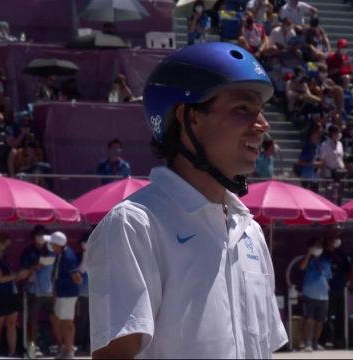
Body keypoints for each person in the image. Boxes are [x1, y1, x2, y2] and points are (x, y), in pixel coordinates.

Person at [86, 42, 287, 358]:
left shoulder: (250, 232)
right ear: (189, 116)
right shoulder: (136, 225)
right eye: (242, 109)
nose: (262, 125)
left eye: (260, 111)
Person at [0, 233, 30, 356]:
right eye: (6, 242)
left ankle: (12, 352)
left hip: (11, 295)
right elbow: (0, 278)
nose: (8, 245)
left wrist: (20, 275)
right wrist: (17, 275)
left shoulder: (5, 260)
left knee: (12, 324)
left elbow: (10, 278)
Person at [20, 225, 57, 357]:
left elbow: (53, 273)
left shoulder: (51, 251)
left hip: (48, 290)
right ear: (33, 237)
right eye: (38, 235)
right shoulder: (28, 252)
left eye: (43, 236)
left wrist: (54, 290)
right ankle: (33, 346)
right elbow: (23, 272)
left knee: (55, 318)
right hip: (33, 290)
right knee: (33, 320)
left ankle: (56, 344)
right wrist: (35, 267)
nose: (41, 238)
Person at [46, 231, 82, 359]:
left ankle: (69, 351)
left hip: (68, 295)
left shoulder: (68, 257)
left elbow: (77, 278)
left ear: (57, 244)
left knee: (67, 323)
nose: (50, 245)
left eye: (52, 243)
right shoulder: (60, 255)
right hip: (61, 294)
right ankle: (65, 348)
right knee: (58, 320)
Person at [299, 237, 332, 352]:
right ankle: (306, 342)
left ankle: (315, 342)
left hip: (323, 296)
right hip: (309, 294)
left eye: (319, 246)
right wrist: (309, 253)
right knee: (309, 319)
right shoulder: (308, 260)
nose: (318, 248)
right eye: (315, 246)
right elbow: (301, 267)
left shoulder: (325, 261)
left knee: (320, 320)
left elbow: (328, 277)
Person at [323, 232, 353, 349]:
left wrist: (350, 282)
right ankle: (326, 339)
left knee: (341, 315)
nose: (334, 241)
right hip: (327, 290)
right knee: (327, 315)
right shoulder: (324, 254)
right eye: (331, 239)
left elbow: (350, 269)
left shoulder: (341, 254)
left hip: (341, 289)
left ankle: (340, 339)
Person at [75, 233, 90, 355]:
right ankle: (81, 343)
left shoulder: (98, 256)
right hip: (83, 293)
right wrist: (85, 254)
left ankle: (89, 343)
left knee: (91, 321)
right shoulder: (79, 256)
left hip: (95, 294)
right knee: (82, 320)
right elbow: (81, 270)